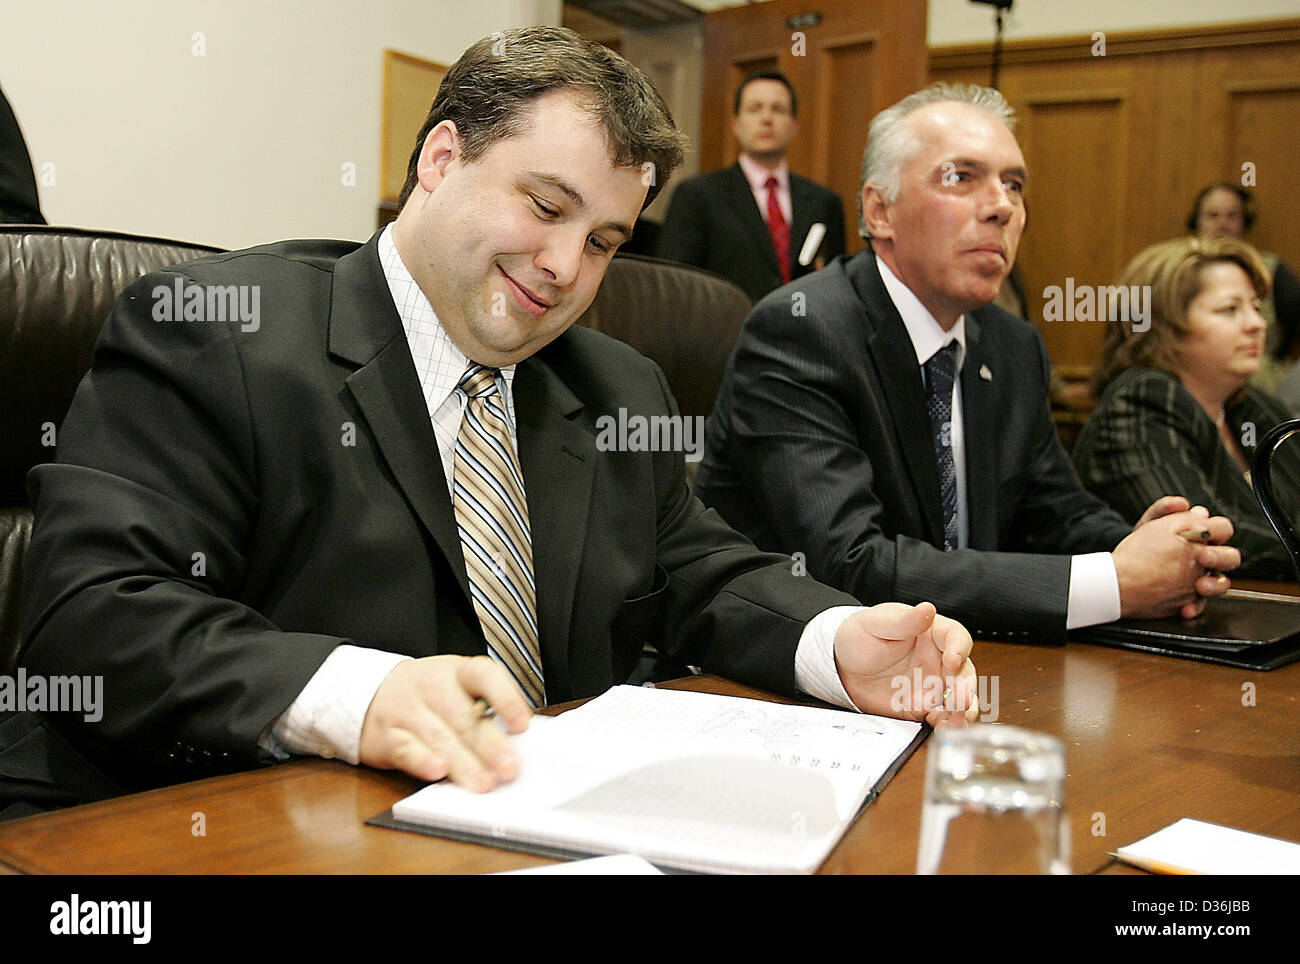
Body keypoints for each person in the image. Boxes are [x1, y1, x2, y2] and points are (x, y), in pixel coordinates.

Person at [17, 28, 977, 798]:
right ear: (440, 159)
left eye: (603, 240)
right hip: (212, 824)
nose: (567, 267)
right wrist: (360, 695)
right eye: (546, 205)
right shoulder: (221, 337)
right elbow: (94, 616)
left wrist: (840, 644)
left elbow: (703, 575)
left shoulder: (613, 388)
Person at [694, 82, 1241, 640]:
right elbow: (849, 566)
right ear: (879, 210)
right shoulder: (802, 328)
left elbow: (1054, 512)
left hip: (966, 664)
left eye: (1015, 185)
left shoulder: (1011, 344)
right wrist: (1113, 582)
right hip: (783, 684)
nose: (1002, 206)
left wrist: (1143, 549)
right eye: (961, 177)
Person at [1072, 236, 1300, 581]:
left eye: (1255, 306)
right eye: (1230, 309)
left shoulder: (1255, 407)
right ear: (1164, 327)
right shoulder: (1140, 403)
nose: (1257, 323)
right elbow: (1205, 536)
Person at [655, 70, 845, 303]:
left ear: (794, 125)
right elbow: (674, 283)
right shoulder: (697, 195)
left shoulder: (824, 202)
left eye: (778, 109)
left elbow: (837, 286)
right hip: (726, 331)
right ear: (736, 123)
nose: (767, 118)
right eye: (755, 109)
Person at [1186, 182, 1300, 396]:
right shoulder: (1175, 272)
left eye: (1232, 216)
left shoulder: (1271, 270)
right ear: (1196, 222)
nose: (1222, 224)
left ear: (1244, 223)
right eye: (1213, 215)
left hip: (1260, 387)